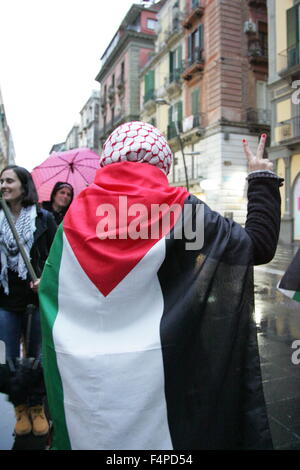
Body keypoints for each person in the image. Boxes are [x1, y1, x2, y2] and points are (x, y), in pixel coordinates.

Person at [39, 122, 283, 450]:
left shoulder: (73, 216)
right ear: (163, 162)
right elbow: (257, 245)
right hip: (164, 376)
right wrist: (259, 177)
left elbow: (53, 288)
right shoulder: (183, 210)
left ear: (108, 158)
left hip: (88, 383)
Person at [0, 165, 57, 437]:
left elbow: (57, 256)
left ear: (24, 185)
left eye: (9, 180)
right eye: (1, 181)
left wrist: (44, 278)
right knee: (9, 359)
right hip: (5, 300)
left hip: (35, 300)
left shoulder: (43, 219)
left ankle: (36, 407)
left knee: (36, 357)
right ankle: (20, 408)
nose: (3, 185)